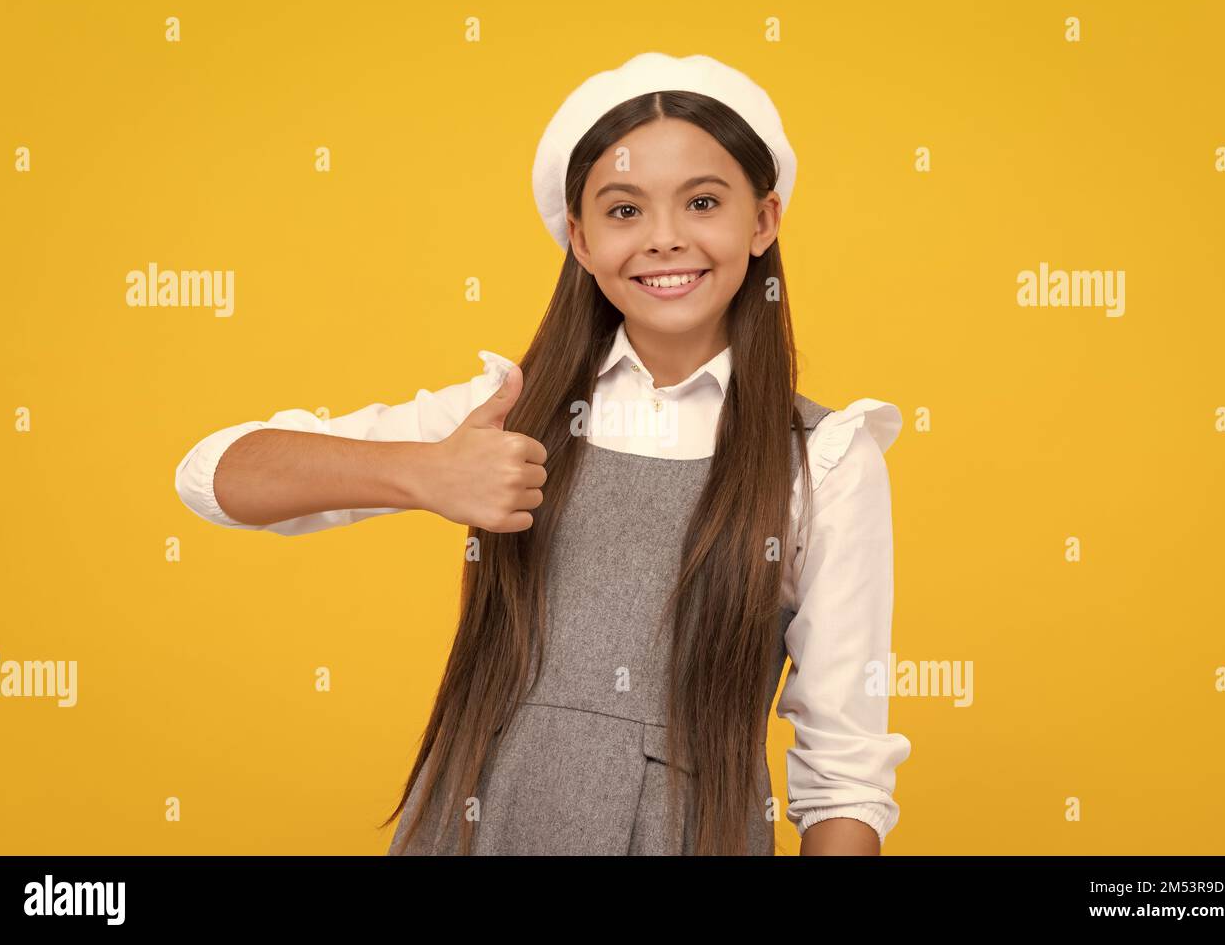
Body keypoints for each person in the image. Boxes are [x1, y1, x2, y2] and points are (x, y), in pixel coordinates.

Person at [174, 52, 912, 856]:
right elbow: (214, 475)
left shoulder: (826, 461)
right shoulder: (502, 417)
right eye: (623, 211)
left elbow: (844, 773)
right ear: (581, 240)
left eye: (703, 202)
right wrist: (423, 473)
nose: (665, 239)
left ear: (763, 221)